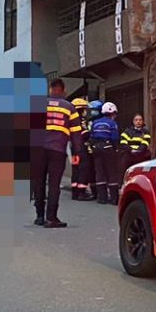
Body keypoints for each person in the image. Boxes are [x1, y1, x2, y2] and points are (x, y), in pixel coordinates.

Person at [31, 80, 81, 227]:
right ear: (63, 90)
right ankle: (51, 218)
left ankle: (39, 216)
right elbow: (76, 133)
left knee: (38, 182)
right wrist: (77, 152)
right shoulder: (69, 108)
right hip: (57, 150)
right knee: (54, 184)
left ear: (50, 89)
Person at [88, 102, 123, 204]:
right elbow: (115, 137)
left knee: (100, 172)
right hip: (108, 148)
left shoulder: (95, 123)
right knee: (111, 172)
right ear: (113, 112)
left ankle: (102, 198)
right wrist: (117, 149)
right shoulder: (112, 123)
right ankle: (114, 198)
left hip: (96, 149)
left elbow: (92, 136)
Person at [69, 95, 93, 199]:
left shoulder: (70, 120)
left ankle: (75, 192)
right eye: (85, 109)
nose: (86, 112)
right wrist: (91, 131)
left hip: (74, 148)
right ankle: (81, 192)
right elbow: (84, 134)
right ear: (81, 109)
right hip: (81, 148)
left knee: (75, 169)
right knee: (84, 168)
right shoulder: (81, 120)